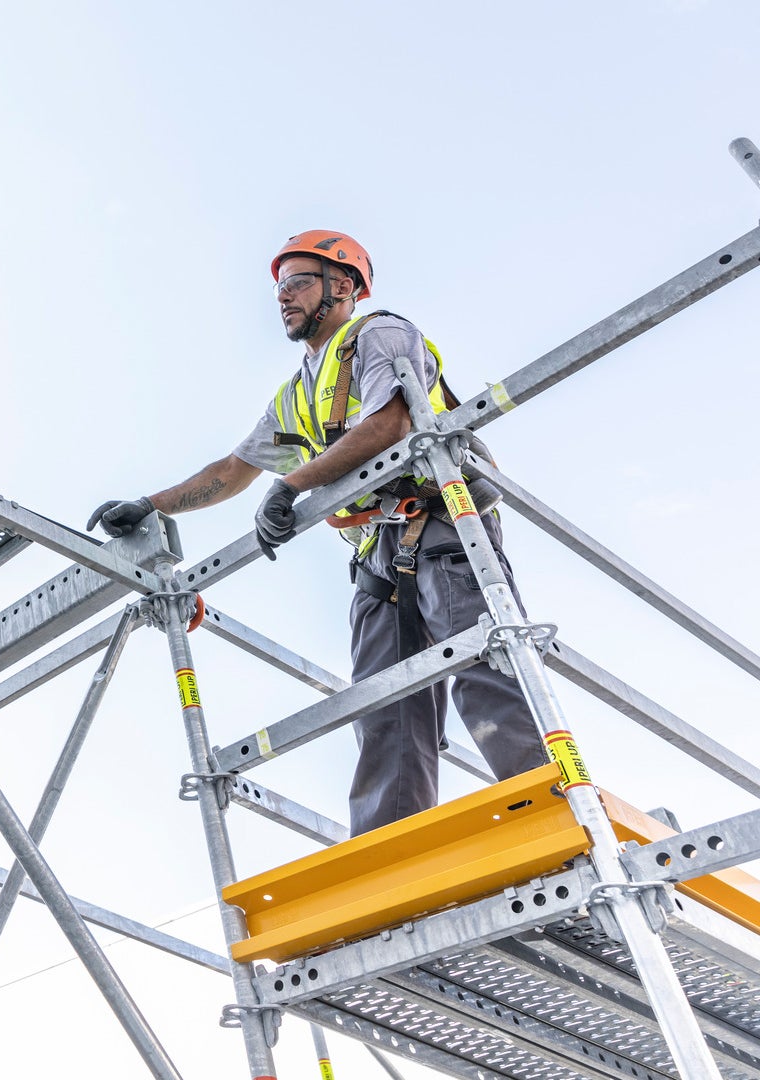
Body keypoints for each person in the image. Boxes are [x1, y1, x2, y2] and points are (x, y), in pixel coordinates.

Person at [86, 231, 547, 835]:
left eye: (298, 283)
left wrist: (293, 484)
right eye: (280, 288)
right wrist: (150, 504)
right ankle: (391, 851)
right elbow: (232, 471)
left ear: (344, 286)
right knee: (383, 706)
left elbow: (390, 423)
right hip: (378, 557)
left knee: (485, 665)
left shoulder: (379, 334)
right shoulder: (295, 395)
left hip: (441, 525)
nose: (284, 297)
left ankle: (552, 811)